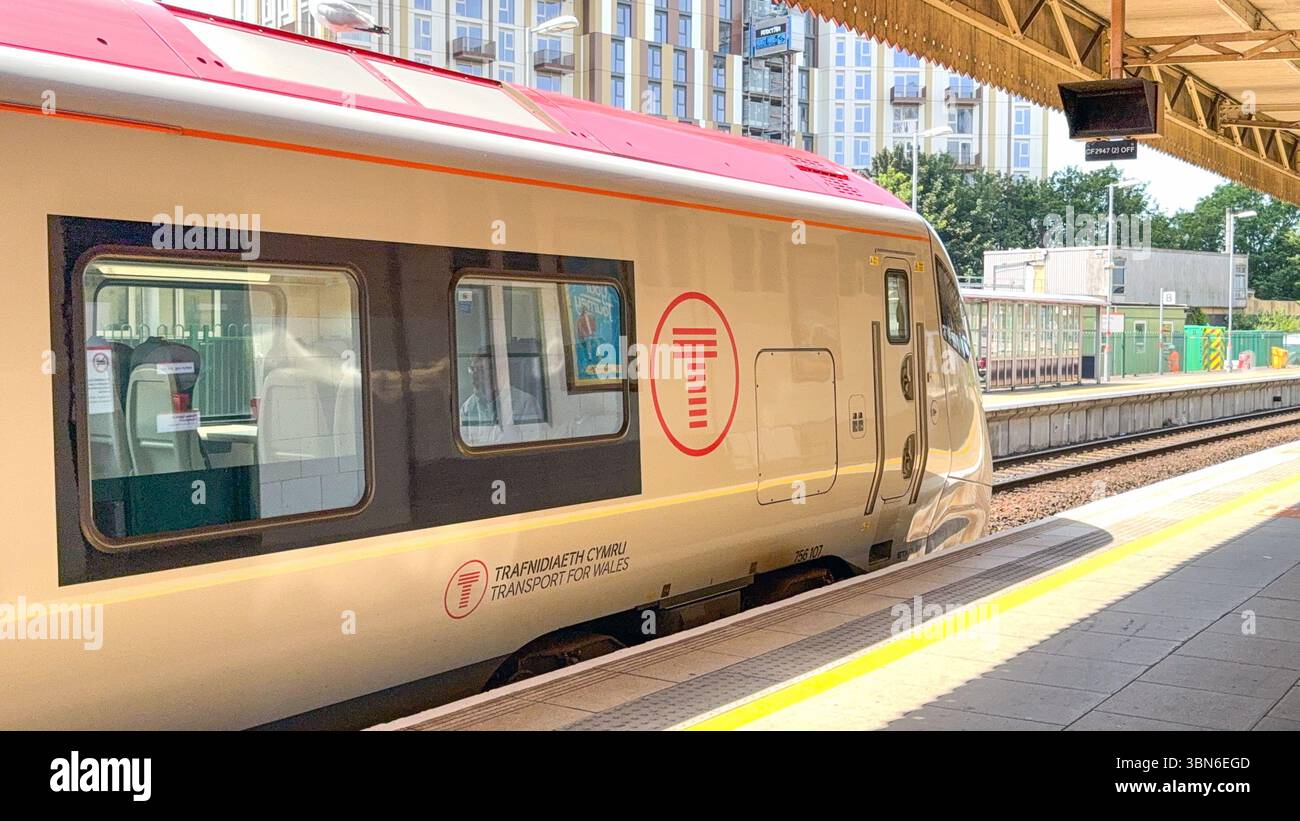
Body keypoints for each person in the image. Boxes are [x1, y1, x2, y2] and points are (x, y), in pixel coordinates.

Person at [459, 357, 542, 445]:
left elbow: (532, 446)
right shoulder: (467, 407)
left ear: (496, 373)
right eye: (472, 369)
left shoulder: (525, 403)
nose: (474, 375)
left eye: (481, 370)